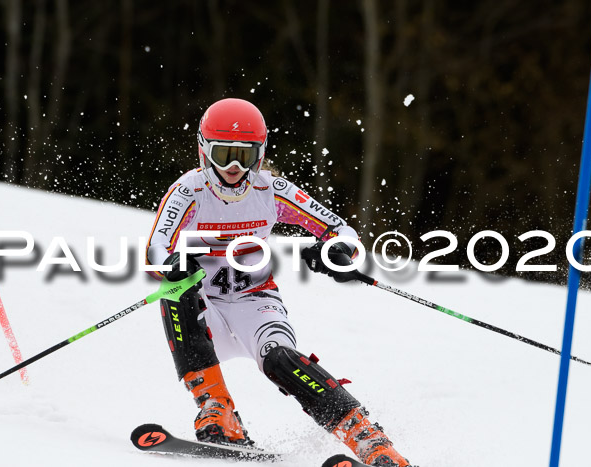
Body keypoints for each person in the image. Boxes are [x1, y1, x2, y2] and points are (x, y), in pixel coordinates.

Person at [145, 98, 411, 467]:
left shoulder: (271, 190)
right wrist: (172, 265)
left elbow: (339, 229)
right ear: (204, 151)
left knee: (281, 359)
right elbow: (157, 248)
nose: (234, 167)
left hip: (255, 302)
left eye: (244, 154)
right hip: (206, 312)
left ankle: (369, 440)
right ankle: (216, 409)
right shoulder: (189, 192)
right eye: (223, 154)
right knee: (173, 294)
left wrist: (335, 251)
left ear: (261, 152)